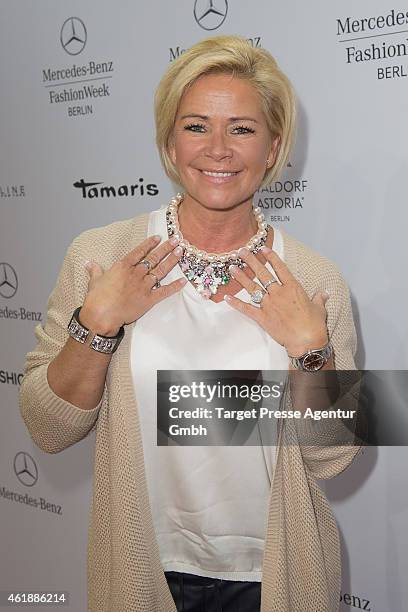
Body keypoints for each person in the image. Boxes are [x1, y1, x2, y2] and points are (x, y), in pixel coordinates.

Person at [19, 35, 360, 612]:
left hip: (278, 577)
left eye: (243, 129)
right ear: (170, 144)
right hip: (140, 572)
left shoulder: (315, 277)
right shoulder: (101, 254)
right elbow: (47, 429)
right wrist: (97, 323)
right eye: (197, 126)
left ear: (274, 148)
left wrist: (311, 349)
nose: (219, 149)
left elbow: (334, 456)